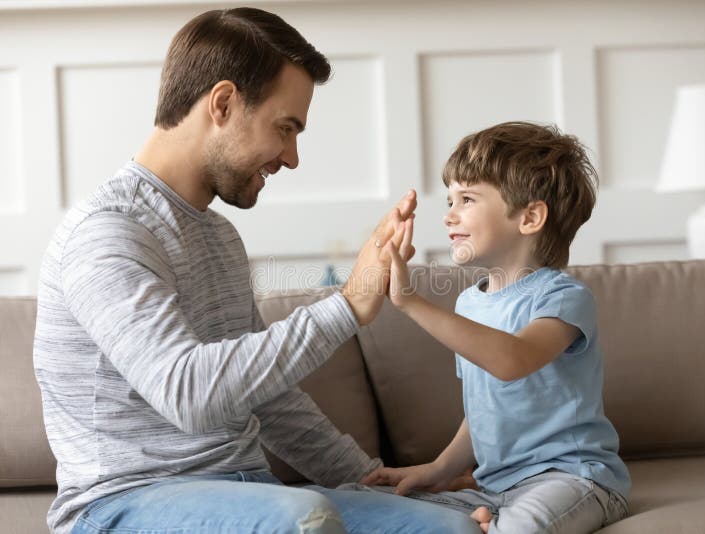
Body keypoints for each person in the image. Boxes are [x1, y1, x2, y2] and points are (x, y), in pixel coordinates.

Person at [33, 7, 480, 534]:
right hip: (122, 505)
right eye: (285, 128)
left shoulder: (219, 236)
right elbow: (189, 395)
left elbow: (265, 398)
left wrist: (368, 478)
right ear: (223, 103)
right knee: (302, 520)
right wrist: (348, 305)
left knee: (452, 527)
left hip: (250, 496)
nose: (291, 157)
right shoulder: (108, 231)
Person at [350, 121, 632, 533]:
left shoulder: (563, 298)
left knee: (520, 528)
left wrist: (409, 302)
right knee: (365, 505)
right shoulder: (469, 304)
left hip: (572, 479)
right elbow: (482, 411)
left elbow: (512, 361)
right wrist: (438, 469)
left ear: (530, 216)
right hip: (494, 487)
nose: (449, 215)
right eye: (450, 199)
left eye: (467, 198)